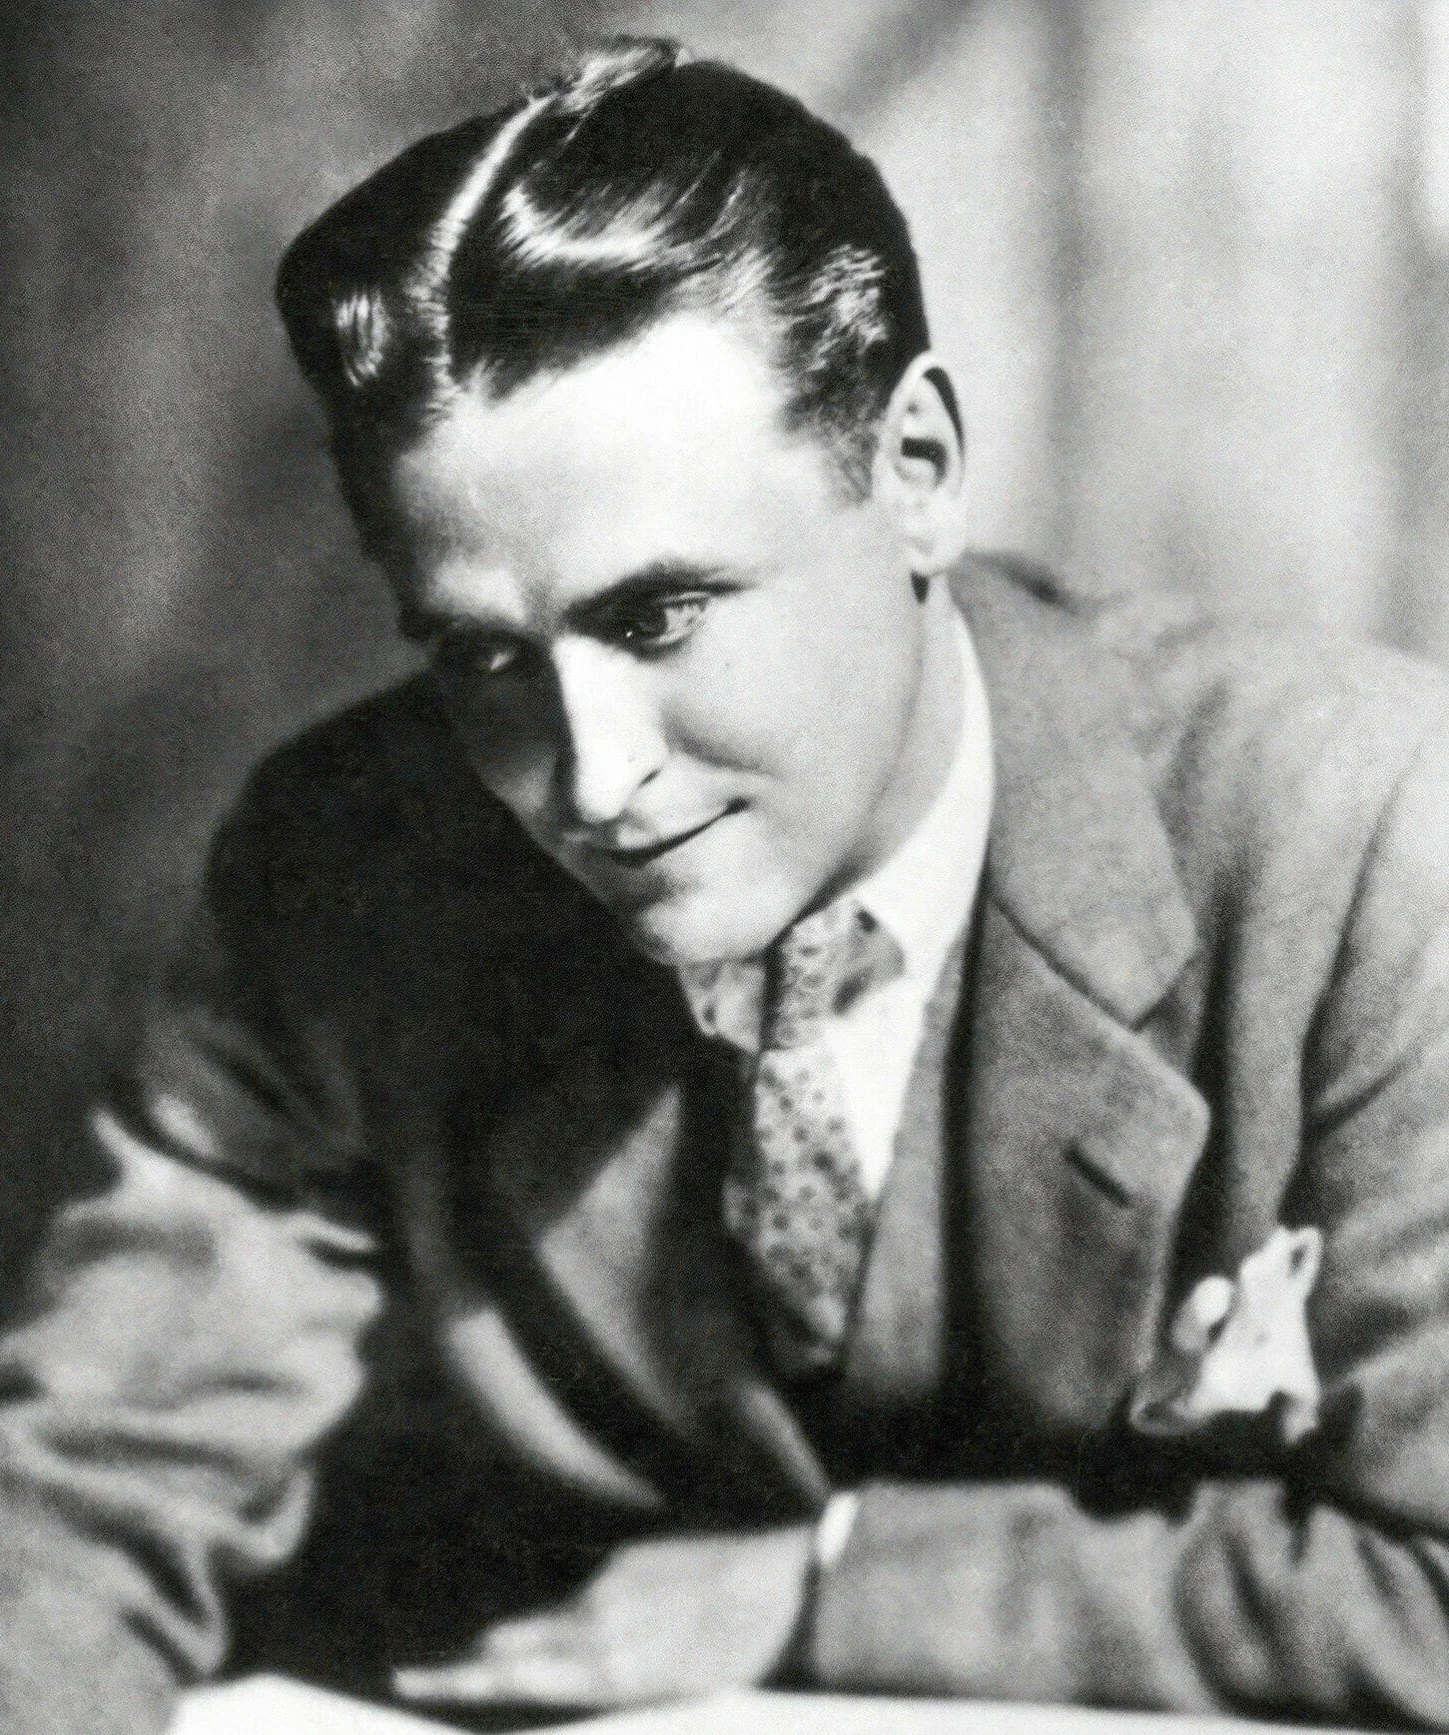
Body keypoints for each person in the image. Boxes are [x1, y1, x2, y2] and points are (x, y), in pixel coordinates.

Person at [4, 34, 1449, 1734]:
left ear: (913, 471)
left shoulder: (1368, 837)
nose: (594, 776)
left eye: (660, 615)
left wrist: (826, 1584)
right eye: (482, 657)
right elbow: (88, 1503)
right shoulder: (344, 873)